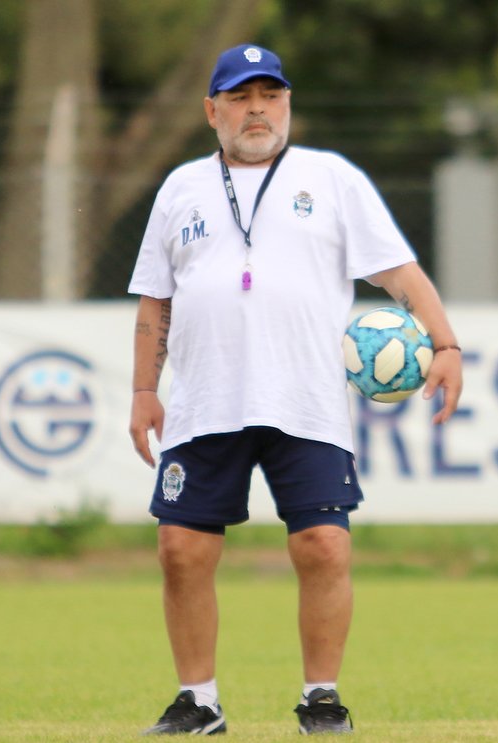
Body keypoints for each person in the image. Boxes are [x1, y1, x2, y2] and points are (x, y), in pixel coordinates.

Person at [127, 43, 462, 736]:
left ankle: (321, 697)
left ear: (287, 105)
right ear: (211, 109)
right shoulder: (181, 188)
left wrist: (447, 342)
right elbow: (154, 303)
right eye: (242, 97)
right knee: (181, 549)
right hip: (203, 397)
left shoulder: (331, 178)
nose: (258, 110)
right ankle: (200, 700)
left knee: (323, 545)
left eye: (271, 96)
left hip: (303, 397)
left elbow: (398, 272)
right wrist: (142, 389)